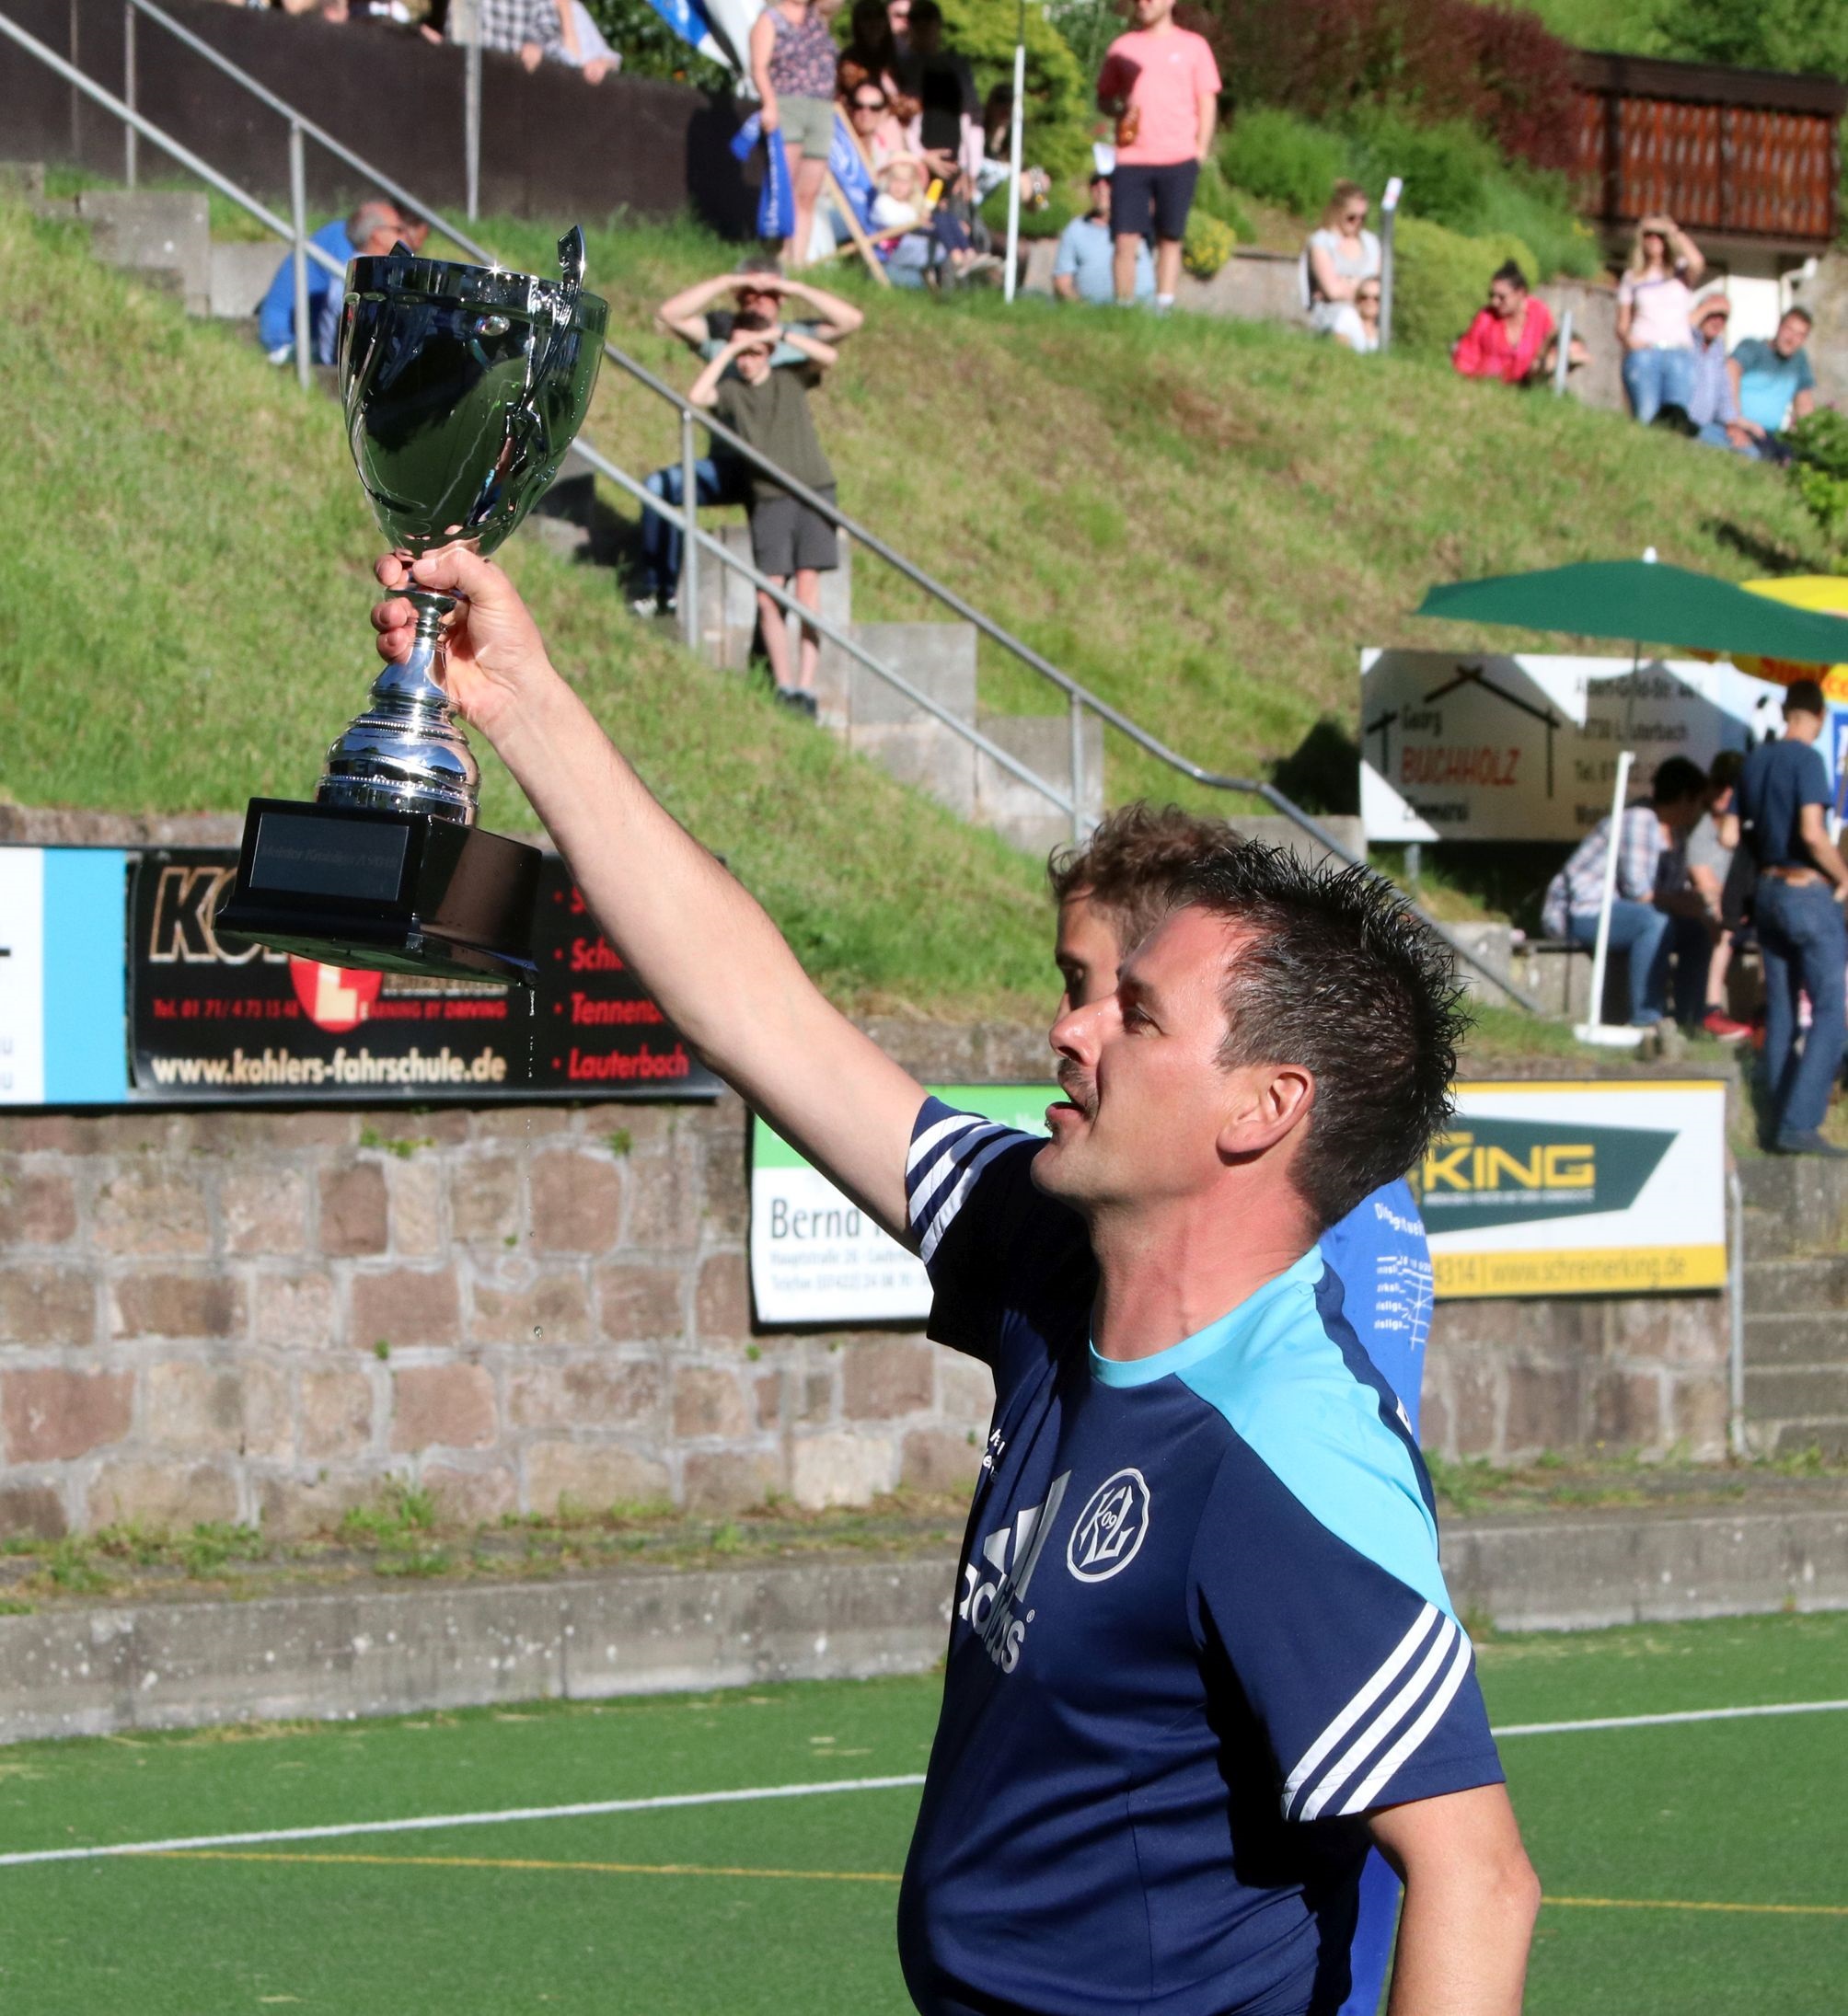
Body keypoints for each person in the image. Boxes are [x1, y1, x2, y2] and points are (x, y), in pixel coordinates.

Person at [369, 544, 1540, 2016]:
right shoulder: (1053, 1250)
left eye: (1138, 1011)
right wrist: (522, 696)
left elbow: (1480, 1876)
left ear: (1262, 1108)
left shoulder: (1289, 1446)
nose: (1075, 1032)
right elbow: (759, 1011)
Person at [1045, 804, 1439, 2016]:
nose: (1071, 1024)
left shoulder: (1331, 1236)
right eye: (1069, 982)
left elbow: (1321, 1446)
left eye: (1121, 991)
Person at [637, 259, 863, 616]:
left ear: (781, 299)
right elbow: (670, 313)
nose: (758, 300)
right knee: (659, 487)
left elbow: (851, 321)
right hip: (729, 465)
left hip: (779, 474)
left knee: (778, 581)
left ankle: (768, 658)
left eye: (769, 294)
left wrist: (797, 289)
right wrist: (727, 278)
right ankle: (660, 591)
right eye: (749, 293)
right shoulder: (723, 333)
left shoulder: (793, 336)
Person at [688, 311, 840, 715]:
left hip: (813, 491)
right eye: (742, 352)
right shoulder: (733, 390)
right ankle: (785, 685)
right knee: (769, 595)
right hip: (770, 498)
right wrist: (729, 351)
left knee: (808, 594)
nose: (747, 360)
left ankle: (806, 689)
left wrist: (782, 333)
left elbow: (829, 357)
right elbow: (697, 397)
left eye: (755, 352)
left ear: (769, 351)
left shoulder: (789, 377)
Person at [1737, 680, 1848, 1156]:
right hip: (1805, 890)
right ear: (1818, 716)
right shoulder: (1808, 759)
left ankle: (1775, 1115)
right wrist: (1844, 876)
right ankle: (1800, 1123)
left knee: (1782, 1007)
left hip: (1765, 891)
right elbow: (1813, 832)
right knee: (1831, 1011)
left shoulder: (1755, 760)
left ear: (1786, 711)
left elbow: (1727, 834)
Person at [1541, 755, 1715, 1029]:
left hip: (1623, 913)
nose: (1701, 812)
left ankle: (1690, 1021)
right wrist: (1682, 904)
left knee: (1696, 932)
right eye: (1699, 803)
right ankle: (1646, 1018)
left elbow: (1669, 891)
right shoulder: (1640, 820)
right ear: (1684, 798)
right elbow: (1640, 892)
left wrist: (1695, 907)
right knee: (1653, 921)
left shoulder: (1676, 833)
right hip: (1583, 911)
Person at [1096, 0, 1220, 312]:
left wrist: (1200, 151)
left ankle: (1163, 307)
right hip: (1131, 158)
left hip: (1178, 156)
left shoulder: (1194, 47)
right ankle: (1123, 307)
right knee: (1125, 236)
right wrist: (1119, 109)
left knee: (1170, 235)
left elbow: (1207, 101)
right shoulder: (1122, 48)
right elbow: (1104, 98)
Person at [257, 199, 418, 366]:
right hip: (298, 347)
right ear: (376, 235)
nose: (405, 236)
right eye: (398, 229)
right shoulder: (360, 273)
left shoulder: (356, 268)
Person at [750, 0, 839, 264]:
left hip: (822, 108)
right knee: (785, 187)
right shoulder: (770, 19)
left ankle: (797, 259)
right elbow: (759, 67)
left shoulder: (818, 17)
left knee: (809, 192)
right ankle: (777, 252)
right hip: (787, 104)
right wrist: (769, 104)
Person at [1685, 750, 1753, 1040]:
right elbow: (1707, 887)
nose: (1725, 793)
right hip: (1718, 912)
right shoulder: (1700, 835)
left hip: (1747, 909)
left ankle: (1764, 1012)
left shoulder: (1750, 830)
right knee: (1726, 926)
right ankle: (1712, 1009)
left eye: (1733, 786)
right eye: (1719, 784)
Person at [1616, 213, 1704, 424]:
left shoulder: (1681, 272)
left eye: (1659, 236)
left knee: (1676, 419)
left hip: (1679, 353)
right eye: (1649, 235)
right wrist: (1630, 341)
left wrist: (1674, 231)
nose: (1654, 240)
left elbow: (1698, 262)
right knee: (1646, 417)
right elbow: (1622, 323)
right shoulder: (1632, 277)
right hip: (1645, 353)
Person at [892, 0, 983, 195]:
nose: (923, 24)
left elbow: (972, 118)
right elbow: (897, 118)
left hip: (955, 170)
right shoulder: (899, 65)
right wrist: (921, 155)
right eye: (916, 19)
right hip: (911, 168)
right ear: (910, 24)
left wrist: (971, 169)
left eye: (929, 18)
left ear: (938, 24)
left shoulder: (958, 67)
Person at [1729, 307, 1819, 462]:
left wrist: (1807, 435)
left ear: (1804, 340)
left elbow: (1804, 402)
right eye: (1789, 330)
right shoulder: (1753, 348)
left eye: (1800, 335)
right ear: (1779, 327)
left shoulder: (1799, 360)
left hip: (1770, 435)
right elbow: (1730, 371)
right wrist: (1734, 421)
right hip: (1742, 426)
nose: (1791, 339)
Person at [1451, 262, 1563, 386]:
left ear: (1520, 293)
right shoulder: (1486, 318)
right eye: (1492, 295)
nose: (1494, 302)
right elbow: (1466, 356)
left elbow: (1552, 341)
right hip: (1485, 386)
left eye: (1501, 297)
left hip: (1526, 388)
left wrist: (1546, 362)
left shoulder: (1540, 313)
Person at [1053, 170, 1154, 305]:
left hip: (1142, 314)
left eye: (1108, 182)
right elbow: (1062, 280)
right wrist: (1079, 308)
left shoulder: (1141, 224)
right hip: (1093, 316)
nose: (1101, 188)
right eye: (1095, 183)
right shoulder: (1076, 229)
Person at [1305, 180, 1380, 349]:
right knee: (1348, 317)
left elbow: (1376, 287)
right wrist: (1361, 288)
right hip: (1334, 312)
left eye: (1363, 218)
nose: (1357, 222)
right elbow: (1333, 290)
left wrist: (1348, 283)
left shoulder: (1370, 242)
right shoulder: (1322, 242)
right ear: (1338, 212)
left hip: (1368, 315)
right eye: (1351, 217)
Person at [1685, 291, 1751, 451]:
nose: (1718, 322)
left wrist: (1732, 424)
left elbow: (1723, 392)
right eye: (1713, 314)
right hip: (1683, 423)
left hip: (1708, 425)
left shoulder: (1718, 347)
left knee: (1750, 452)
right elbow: (1678, 327)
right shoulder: (1685, 339)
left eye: (1724, 318)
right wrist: (1707, 308)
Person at [1349, 276, 1382, 353]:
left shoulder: (1389, 332)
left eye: (1376, 298)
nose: (1370, 302)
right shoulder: (1348, 318)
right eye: (1364, 297)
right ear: (1356, 299)